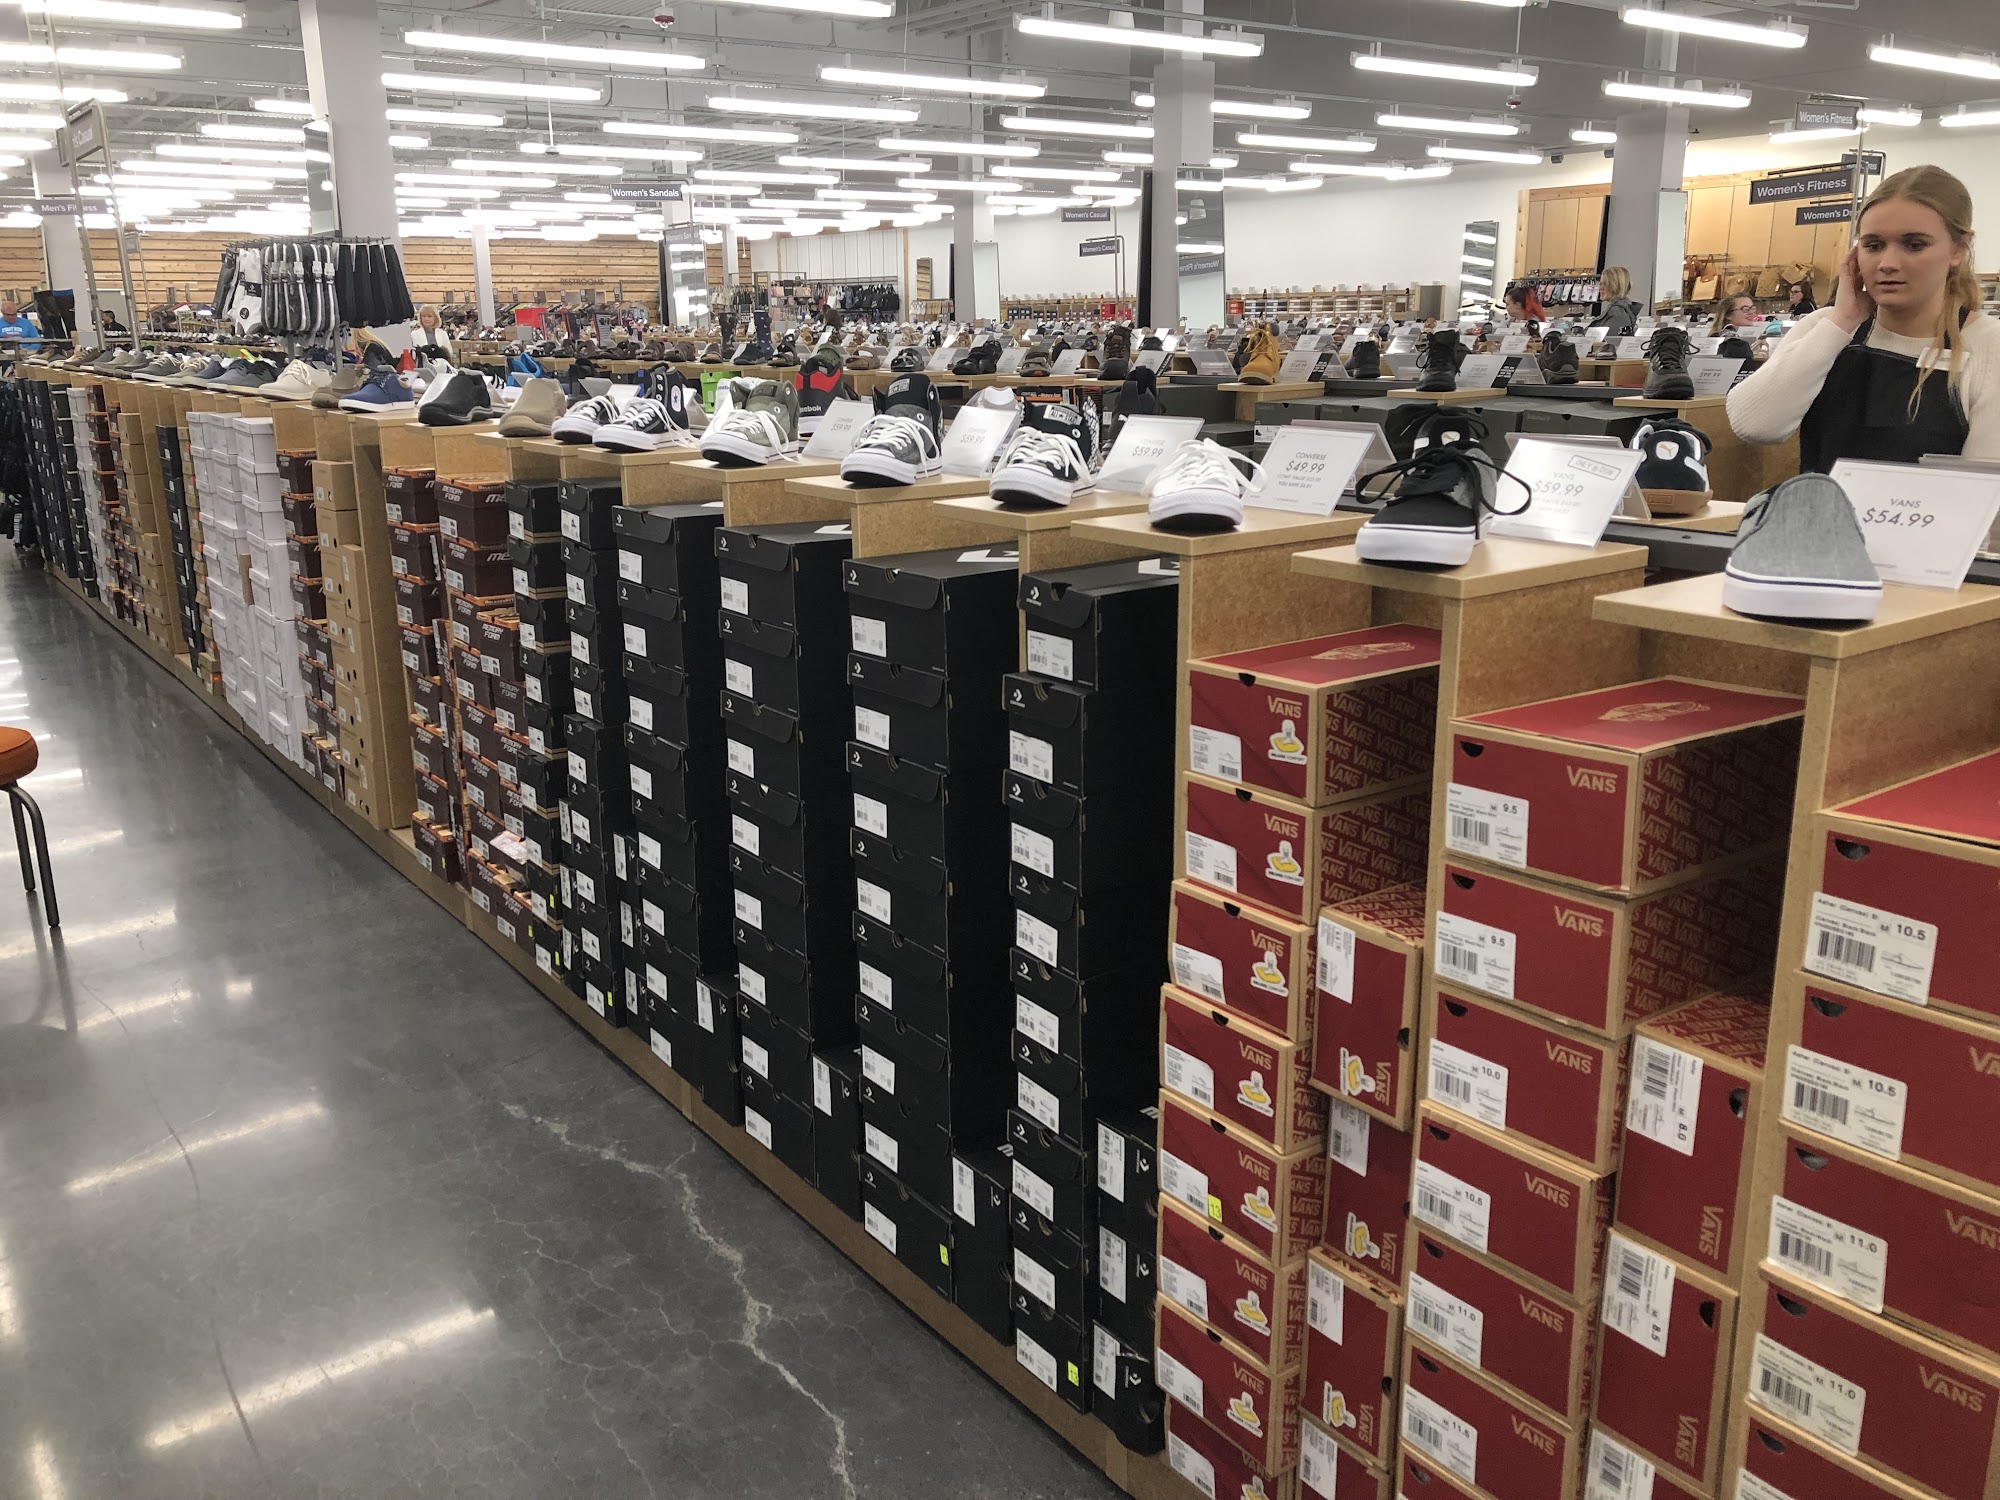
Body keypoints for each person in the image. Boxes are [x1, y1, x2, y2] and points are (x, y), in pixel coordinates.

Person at [1728, 164, 1996, 469]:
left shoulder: (1989, 348)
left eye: (1914, 245)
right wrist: (1842, 321)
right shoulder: (1825, 327)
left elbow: (1985, 486)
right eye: (1873, 245)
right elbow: (1754, 425)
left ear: (1958, 249)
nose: (1888, 263)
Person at [1595, 266, 1643, 338]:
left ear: (1615, 286)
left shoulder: (1616, 312)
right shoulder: (1623, 309)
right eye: (1600, 284)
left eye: (1605, 284)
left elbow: (1610, 341)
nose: (1600, 288)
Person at [1715, 292, 1763, 360]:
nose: (1751, 313)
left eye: (1752, 308)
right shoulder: (1727, 340)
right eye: (1745, 309)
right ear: (1728, 315)